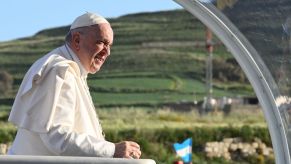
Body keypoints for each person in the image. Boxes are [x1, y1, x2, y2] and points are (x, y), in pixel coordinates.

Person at [7, 12, 141, 159]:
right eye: (101, 42)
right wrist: (112, 150)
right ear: (77, 40)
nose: (107, 52)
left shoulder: (72, 70)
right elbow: (59, 138)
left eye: (109, 45)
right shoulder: (60, 71)